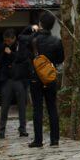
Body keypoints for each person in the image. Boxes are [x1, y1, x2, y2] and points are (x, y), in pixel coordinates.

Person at [19, 11, 64, 148]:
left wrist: (30, 28)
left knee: (37, 109)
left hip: (35, 78)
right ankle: (54, 140)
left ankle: (38, 141)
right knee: (52, 108)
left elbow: (20, 37)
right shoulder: (57, 41)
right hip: (50, 77)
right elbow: (60, 59)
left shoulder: (33, 40)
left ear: (40, 24)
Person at [0, 29, 29, 139]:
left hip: (19, 79)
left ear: (14, 38)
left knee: (22, 105)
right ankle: (1, 130)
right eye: (5, 41)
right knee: (5, 105)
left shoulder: (21, 46)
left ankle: (22, 129)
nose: (7, 43)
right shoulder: (2, 46)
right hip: (7, 79)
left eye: (8, 41)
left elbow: (23, 58)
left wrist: (11, 53)